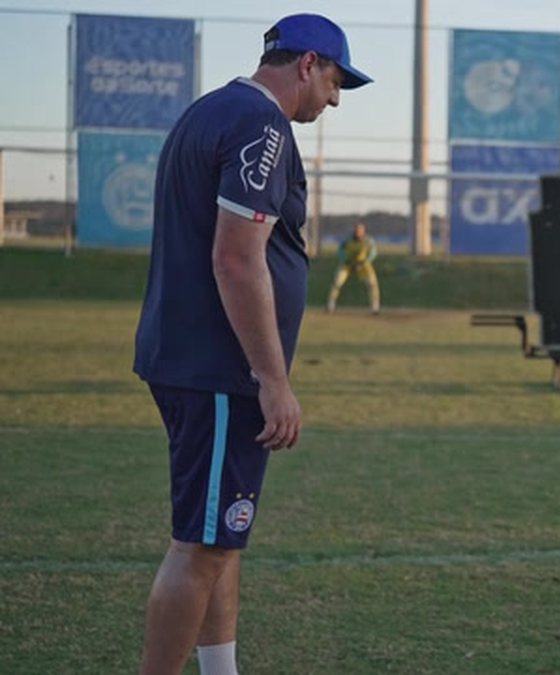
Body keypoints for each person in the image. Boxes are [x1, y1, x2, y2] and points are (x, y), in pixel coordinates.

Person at [132, 14, 371, 675]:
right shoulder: (261, 124)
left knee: (220, 534)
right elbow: (237, 258)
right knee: (202, 546)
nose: (335, 97)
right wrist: (272, 377)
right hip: (217, 367)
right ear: (307, 64)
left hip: (191, 357)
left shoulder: (209, 111)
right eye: (334, 79)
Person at [326, 222, 381, 314]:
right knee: (337, 282)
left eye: (360, 231)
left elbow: (373, 252)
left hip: (363, 265)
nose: (358, 233)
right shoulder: (347, 241)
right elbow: (340, 251)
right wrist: (345, 260)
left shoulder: (368, 241)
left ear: (364, 232)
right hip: (348, 264)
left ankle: (375, 307)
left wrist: (365, 261)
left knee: (372, 284)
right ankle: (330, 305)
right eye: (356, 231)